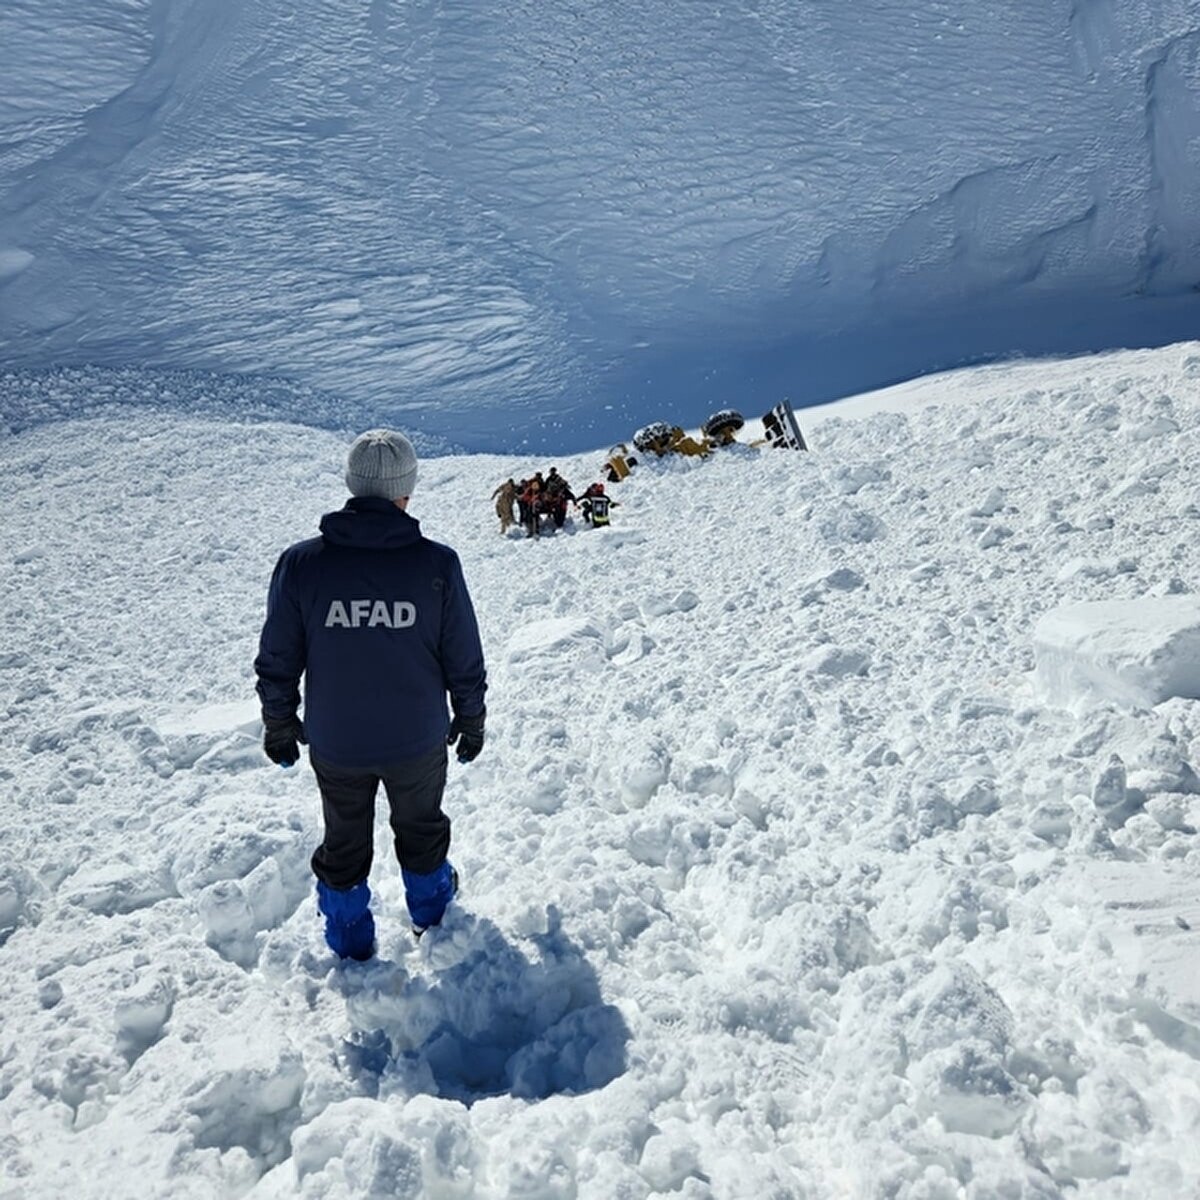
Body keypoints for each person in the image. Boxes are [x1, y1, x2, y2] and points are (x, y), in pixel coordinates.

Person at [254, 430, 487, 959]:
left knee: (343, 839)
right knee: (421, 829)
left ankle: (349, 939)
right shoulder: (437, 564)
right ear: (407, 489)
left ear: (352, 485)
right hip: (417, 740)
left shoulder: (302, 564)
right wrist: (471, 718)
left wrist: (279, 721)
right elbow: (463, 656)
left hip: (338, 743)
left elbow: (279, 657)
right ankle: (433, 920)